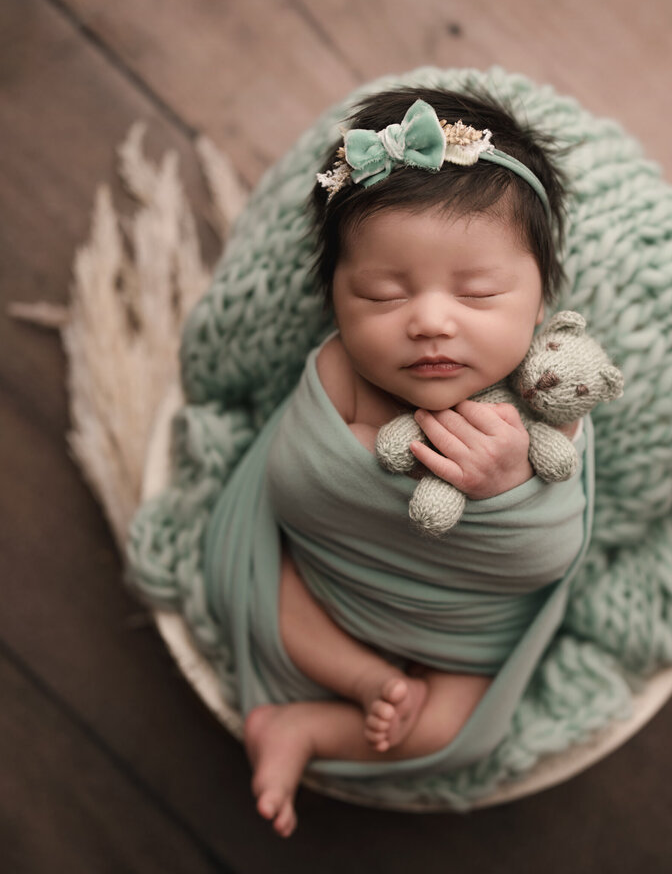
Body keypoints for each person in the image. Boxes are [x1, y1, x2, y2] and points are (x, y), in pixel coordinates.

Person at [236, 88, 583, 836]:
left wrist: (511, 485)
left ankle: (305, 728)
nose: (428, 320)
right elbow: (294, 489)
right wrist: (371, 468)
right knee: (276, 594)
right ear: (336, 299)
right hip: (332, 584)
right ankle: (361, 681)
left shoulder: (542, 398)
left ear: (541, 299)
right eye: (382, 293)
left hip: (464, 627)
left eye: (479, 291)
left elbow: (550, 551)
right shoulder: (342, 376)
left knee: (460, 728)